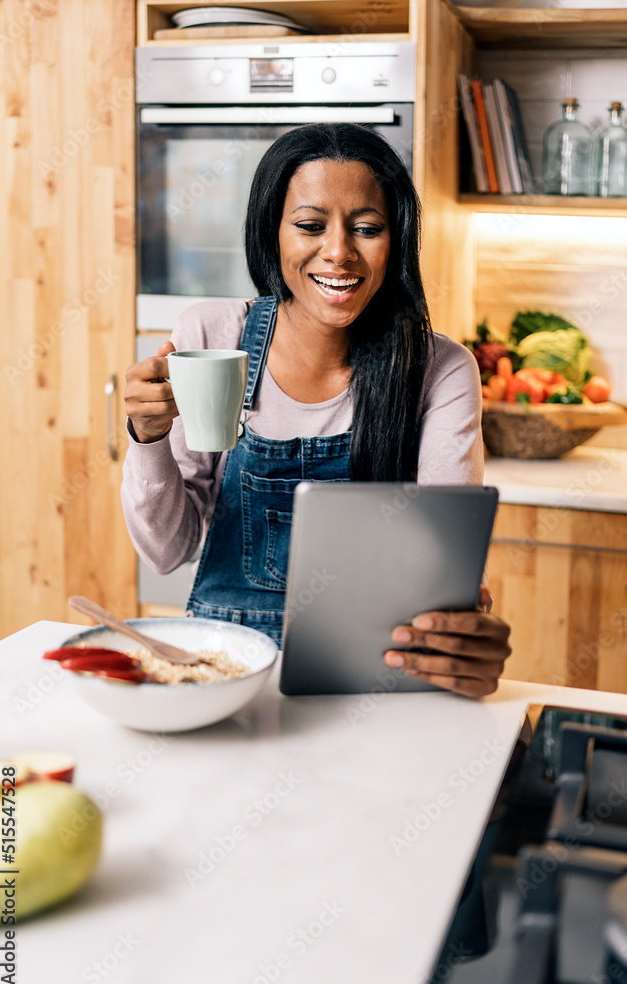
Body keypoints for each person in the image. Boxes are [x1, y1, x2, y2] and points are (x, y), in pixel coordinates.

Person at [122, 123, 511, 698]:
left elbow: (442, 584)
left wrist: (462, 647)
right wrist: (147, 438)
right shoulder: (210, 335)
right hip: (224, 679)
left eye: (367, 228)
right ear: (271, 232)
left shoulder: (441, 370)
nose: (338, 252)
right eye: (309, 225)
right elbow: (166, 551)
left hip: (369, 683)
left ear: (396, 238)